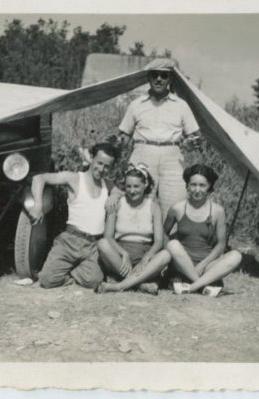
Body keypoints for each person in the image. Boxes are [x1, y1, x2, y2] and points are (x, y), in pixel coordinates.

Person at [115, 58, 202, 218]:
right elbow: (124, 138)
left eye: (164, 75)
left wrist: (190, 144)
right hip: (142, 154)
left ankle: (168, 235)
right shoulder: (136, 104)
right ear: (149, 78)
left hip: (172, 157)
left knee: (174, 206)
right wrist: (118, 143)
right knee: (138, 203)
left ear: (170, 79)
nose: (159, 79)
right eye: (155, 75)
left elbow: (194, 138)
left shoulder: (181, 105)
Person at [29, 142, 119, 289]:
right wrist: (38, 205)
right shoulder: (75, 178)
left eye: (107, 166)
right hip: (70, 240)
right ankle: (69, 272)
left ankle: (72, 270)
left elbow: (120, 191)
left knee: (95, 281)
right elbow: (39, 179)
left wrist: (114, 194)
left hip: (93, 245)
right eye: (99, 163)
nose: (102, 169)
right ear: (91, 158)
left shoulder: (107, 185)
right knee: (47, 280)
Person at [164, 164, 241, 295]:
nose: (197, 190)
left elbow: (221, 244)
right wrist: (170, 257)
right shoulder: (177, 208)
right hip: (182, 262)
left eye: (202, 185)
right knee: (172, 244)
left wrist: (203, 264)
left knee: (236, 256)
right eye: (193, 185)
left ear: (209, 186)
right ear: (187, 186)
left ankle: (192, 286)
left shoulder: (218, 211)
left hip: (206, 264)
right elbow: (164, 234)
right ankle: (203, 285)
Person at [95, 163, 170, 295]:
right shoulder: (117, 203)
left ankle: (119, 285)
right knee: (102, 244)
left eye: (136, 186)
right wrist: (124, 254)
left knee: (166, 255)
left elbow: (159, 241)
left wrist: (146, 258)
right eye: (128, 186)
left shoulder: (154, 207)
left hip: (144, 252)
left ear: (145, 184)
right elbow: (108, 237)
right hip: (120, 255)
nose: (132, 190)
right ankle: (140, 283)